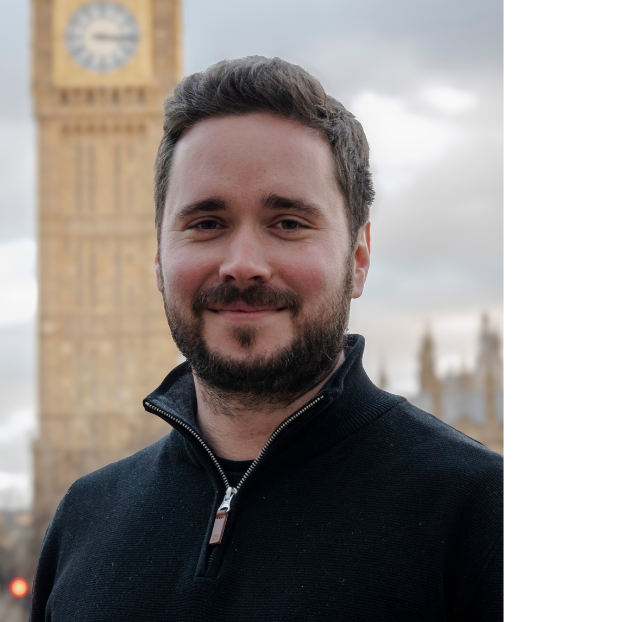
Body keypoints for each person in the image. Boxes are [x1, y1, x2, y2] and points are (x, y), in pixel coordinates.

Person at [29, 56, 502, 622]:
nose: (243, 264)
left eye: (288, 223)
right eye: (206, 223)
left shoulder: (484, 515)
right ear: (159, 259)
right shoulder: (86, 518)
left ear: (358, 258)